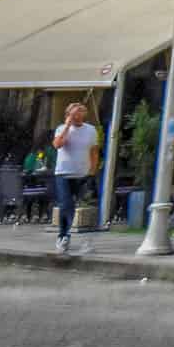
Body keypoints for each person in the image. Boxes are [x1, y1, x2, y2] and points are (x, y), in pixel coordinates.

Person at [50, 102, 100, 256]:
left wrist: (92, 170)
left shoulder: (90, 130)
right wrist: (67, 126)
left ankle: (82, 240)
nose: (77, 116)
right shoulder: (61, 129)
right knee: (66, 205)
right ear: (68, 115)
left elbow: (94, 151)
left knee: (82, 206)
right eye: (73, 114)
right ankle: (63, 236)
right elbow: (57, 144)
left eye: (80, 113)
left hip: (82, 173)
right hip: (63, 173)